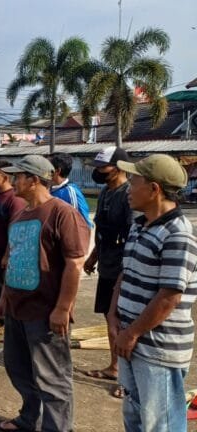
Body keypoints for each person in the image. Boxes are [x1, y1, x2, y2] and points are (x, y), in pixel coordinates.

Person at [0, 155, 90, 432]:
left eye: (18, 176)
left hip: (45, 311)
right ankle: (29, 418)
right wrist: (3, 299)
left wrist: (63, 307)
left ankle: (57, 427)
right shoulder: (22, 214)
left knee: (53, 378)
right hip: (16, 308)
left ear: (34, 179)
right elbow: (12, 260)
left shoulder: (62, 212)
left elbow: (74, 264)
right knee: (19, 370)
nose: (13, 180)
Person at [112, 154, 197, 432]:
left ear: (154, 189)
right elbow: (125, 274)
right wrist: (114, 314)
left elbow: (169, 297)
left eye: (133, 180)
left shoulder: (178, 234)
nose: (127, 188)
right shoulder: (140, 225)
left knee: (161, 424)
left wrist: (132, 332)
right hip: (132, 340)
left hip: (157, 347)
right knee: (135, 413)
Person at [82, 147, 132, 399]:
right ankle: (114, 367)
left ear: (120, 167)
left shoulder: (129, 195)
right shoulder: (105, 193)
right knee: (108, 318)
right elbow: (101, 230)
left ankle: (127, 378)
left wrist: (128, 269)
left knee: (121, 322)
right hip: (107, 265)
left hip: (123, 267)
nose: (99, 172)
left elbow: (131, 236)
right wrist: (93, 256)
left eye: (104, 167)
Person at [0, 160, 26, 332]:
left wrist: (7, 254)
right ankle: (2, 319)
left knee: (6, 288)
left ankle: (10, 322)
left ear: (6, 177)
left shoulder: (14, 200)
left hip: (7, 254)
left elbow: (15, 229)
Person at [47, 152, 93, 228]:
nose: (43, 169)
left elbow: (82, 224)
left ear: (57, 171)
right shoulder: (47, 189)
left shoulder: (71, 192)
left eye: (47, 166)